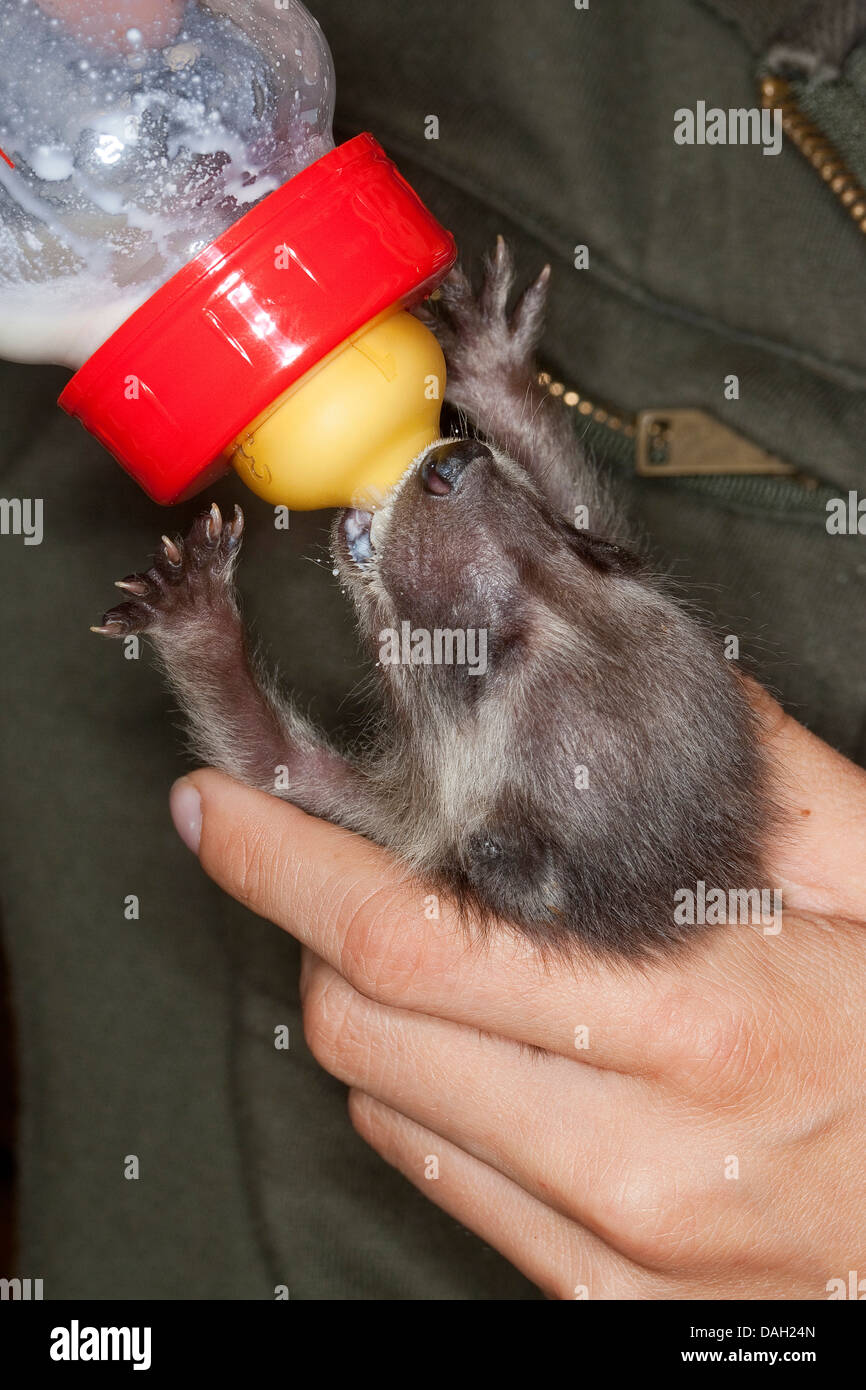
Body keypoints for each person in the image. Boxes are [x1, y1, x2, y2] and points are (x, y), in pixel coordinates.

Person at [1, 0, 864, 1299]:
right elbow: (577, 529)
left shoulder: (466, 839)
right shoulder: (531, 719)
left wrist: (201, 634)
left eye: (489, 639)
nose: (484, 513)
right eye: (575, 564)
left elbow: (284, 770)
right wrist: (506, 391)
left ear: (489, 837)